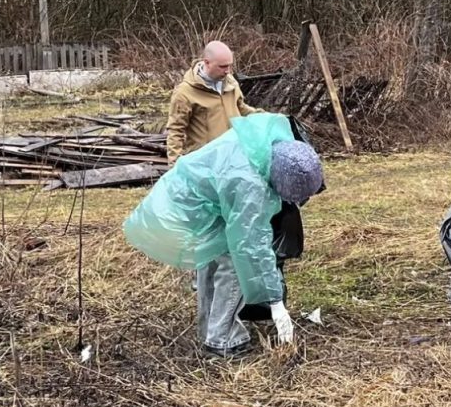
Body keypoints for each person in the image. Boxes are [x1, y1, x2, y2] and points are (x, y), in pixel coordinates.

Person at [124, 112, 323, 357]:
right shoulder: (249, 187)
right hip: (183, 209)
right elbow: (252, 249)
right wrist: (275, 301)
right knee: (234, 265)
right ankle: (222, 339)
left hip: (190, 197)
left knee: (215, 258)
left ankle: (211, 330)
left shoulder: (267, 143)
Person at [164, 40, 258, 163]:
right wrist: (174, 165)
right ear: (207, 63)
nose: (228, 71)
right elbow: (176, 130)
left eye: (229, 65)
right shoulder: (185, 93)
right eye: (223, 66)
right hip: (205, 163)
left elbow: (240, 108)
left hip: (234, 157)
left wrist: (264, 116)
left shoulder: (230, 83)